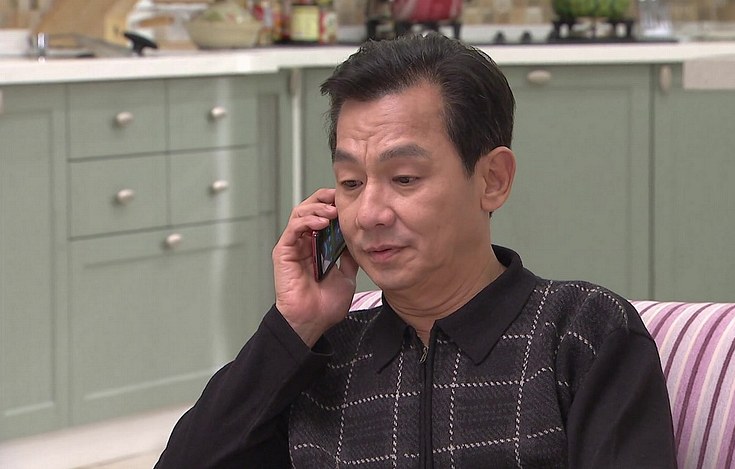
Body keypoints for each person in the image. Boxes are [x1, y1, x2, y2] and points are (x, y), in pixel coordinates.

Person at [155, 33, 677, 468]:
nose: (369, 214)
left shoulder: (579, 331)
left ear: (492, 180)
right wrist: (294, 327)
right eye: (351, 183)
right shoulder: (324, 357)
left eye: (404, 178)